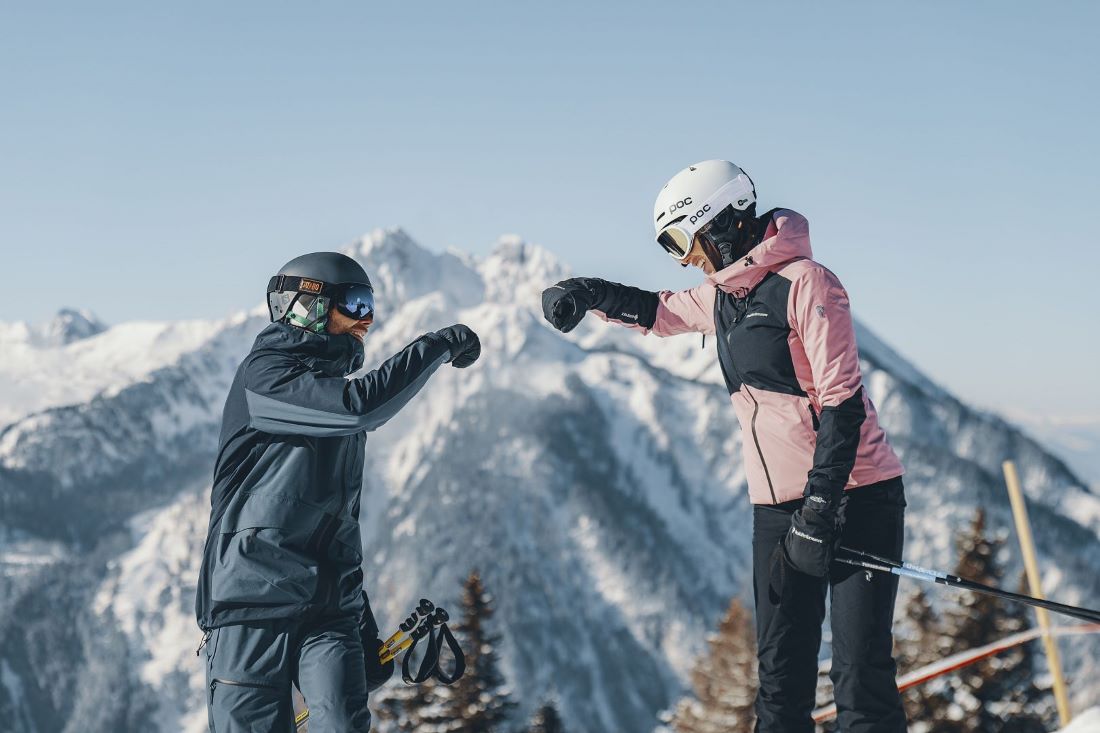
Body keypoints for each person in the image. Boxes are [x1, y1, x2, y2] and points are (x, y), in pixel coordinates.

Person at [541, 160, 907, 733]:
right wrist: (586, 292)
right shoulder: (724, 297)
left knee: (861, 680)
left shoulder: (808, 282)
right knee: (781, 679)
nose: (683, 257)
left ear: (721, 222)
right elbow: (658, 311)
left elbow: (842, 401)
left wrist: (819, 509)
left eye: (683, 240)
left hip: (856, 497)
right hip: (776, 507)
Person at [195, 251, 480, 733]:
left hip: (329, 609)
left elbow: (334, 523)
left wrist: (362, 623)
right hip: (252, 606)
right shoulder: (265, 378)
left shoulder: (327, 402)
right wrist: (437, 345)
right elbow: (358, 408)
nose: (366, 318)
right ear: (307, 306)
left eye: (370, 303)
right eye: (354, 301)